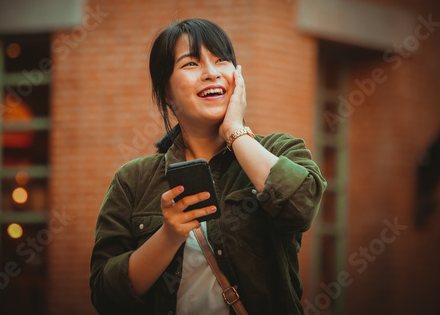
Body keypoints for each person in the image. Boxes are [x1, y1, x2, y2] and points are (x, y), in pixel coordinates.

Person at [90, 18, 326, 315]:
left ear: (237, 77)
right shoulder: (133, 180)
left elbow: (302, 206)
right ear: (166, 92)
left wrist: (235, 132)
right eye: (191, 64)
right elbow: (105, 296)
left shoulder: (279, 150)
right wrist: (168, 235)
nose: (212, 73)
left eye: (221, 61)